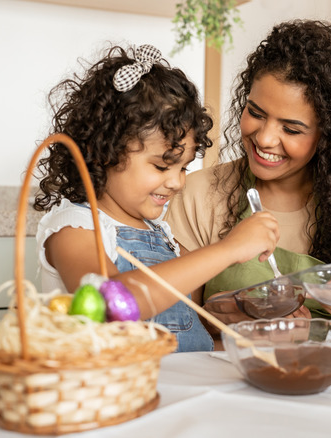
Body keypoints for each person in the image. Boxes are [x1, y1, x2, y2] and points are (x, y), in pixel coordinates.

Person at [165, 20, 331, 338]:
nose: (266, 138)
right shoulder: (200, 194)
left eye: (291, 129)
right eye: (255, 112)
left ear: (330, 136)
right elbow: (173, 328)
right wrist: (220, 323)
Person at [33, 44, 280, 352]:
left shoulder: (163, 235)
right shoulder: (75, 229)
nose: (177, 182)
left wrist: (235, 326)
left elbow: (189, 337)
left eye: (184, 167)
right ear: (103, 152)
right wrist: (229, 249)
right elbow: (111, 305)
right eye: (162, 165)